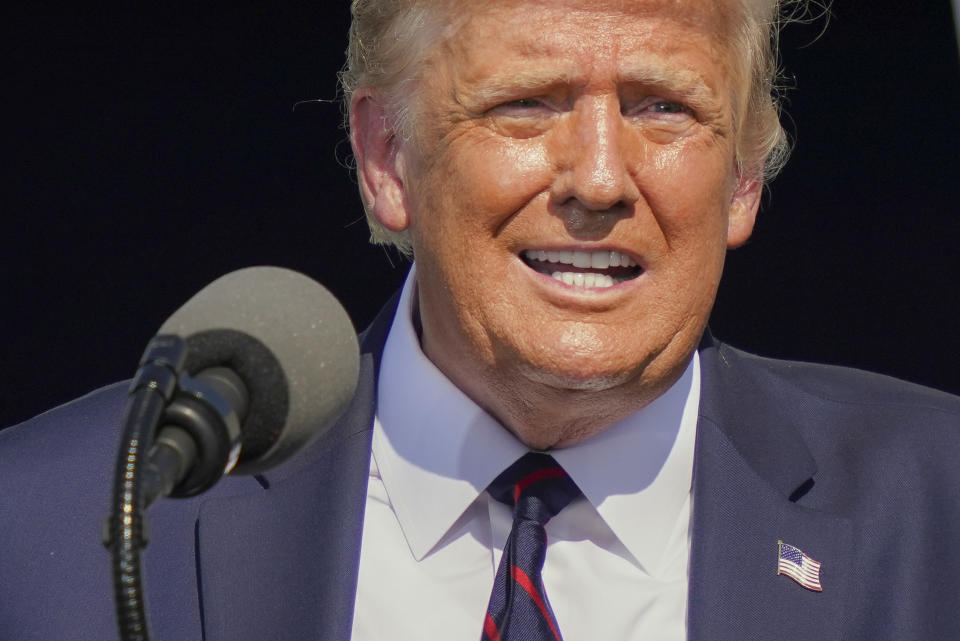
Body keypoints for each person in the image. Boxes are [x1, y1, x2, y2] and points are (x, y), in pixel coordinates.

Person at [2, 0, 958, 640]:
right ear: (386, 158)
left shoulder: (935, 516)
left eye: (664, 108)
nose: (597, 178)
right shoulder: (55, 528)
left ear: (745, 173)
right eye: (527, 106)